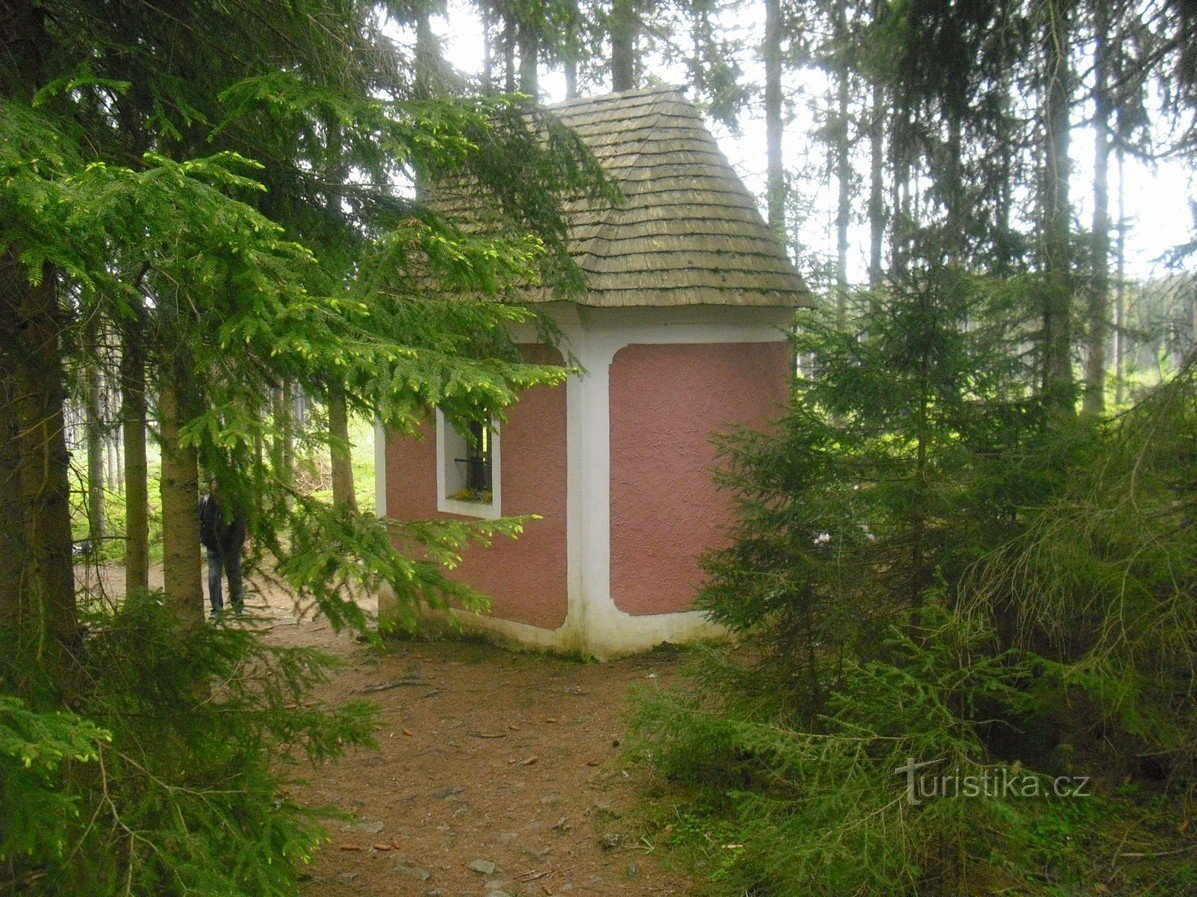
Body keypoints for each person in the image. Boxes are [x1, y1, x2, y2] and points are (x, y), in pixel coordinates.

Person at [198, 475, 247, 617]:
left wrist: (244, 541)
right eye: (214, 482)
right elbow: (199, 522)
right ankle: (216, 610)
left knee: (235, 576)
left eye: (218, 482)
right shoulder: (205, 502)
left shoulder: (235, 501)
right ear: (210, 485)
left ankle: (238, 607)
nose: (216, 485)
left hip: (232, 545)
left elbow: (243, 522)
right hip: (213, 546)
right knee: (214, 577)